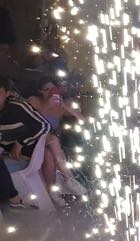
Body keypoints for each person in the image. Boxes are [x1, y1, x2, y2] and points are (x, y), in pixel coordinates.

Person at [0, 76, 84, 207]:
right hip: (35, 140)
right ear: (40, 91)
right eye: (46, 89)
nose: (50, 92)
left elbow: (82, 120)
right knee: (51, 144)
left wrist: (64, 106)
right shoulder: (33, 101)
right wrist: (47, 105)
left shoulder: (62, 104)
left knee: (49, 153)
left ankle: (55, 191)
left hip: (42, 141)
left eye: (53, 88)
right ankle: (67, 180)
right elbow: (38, 122)